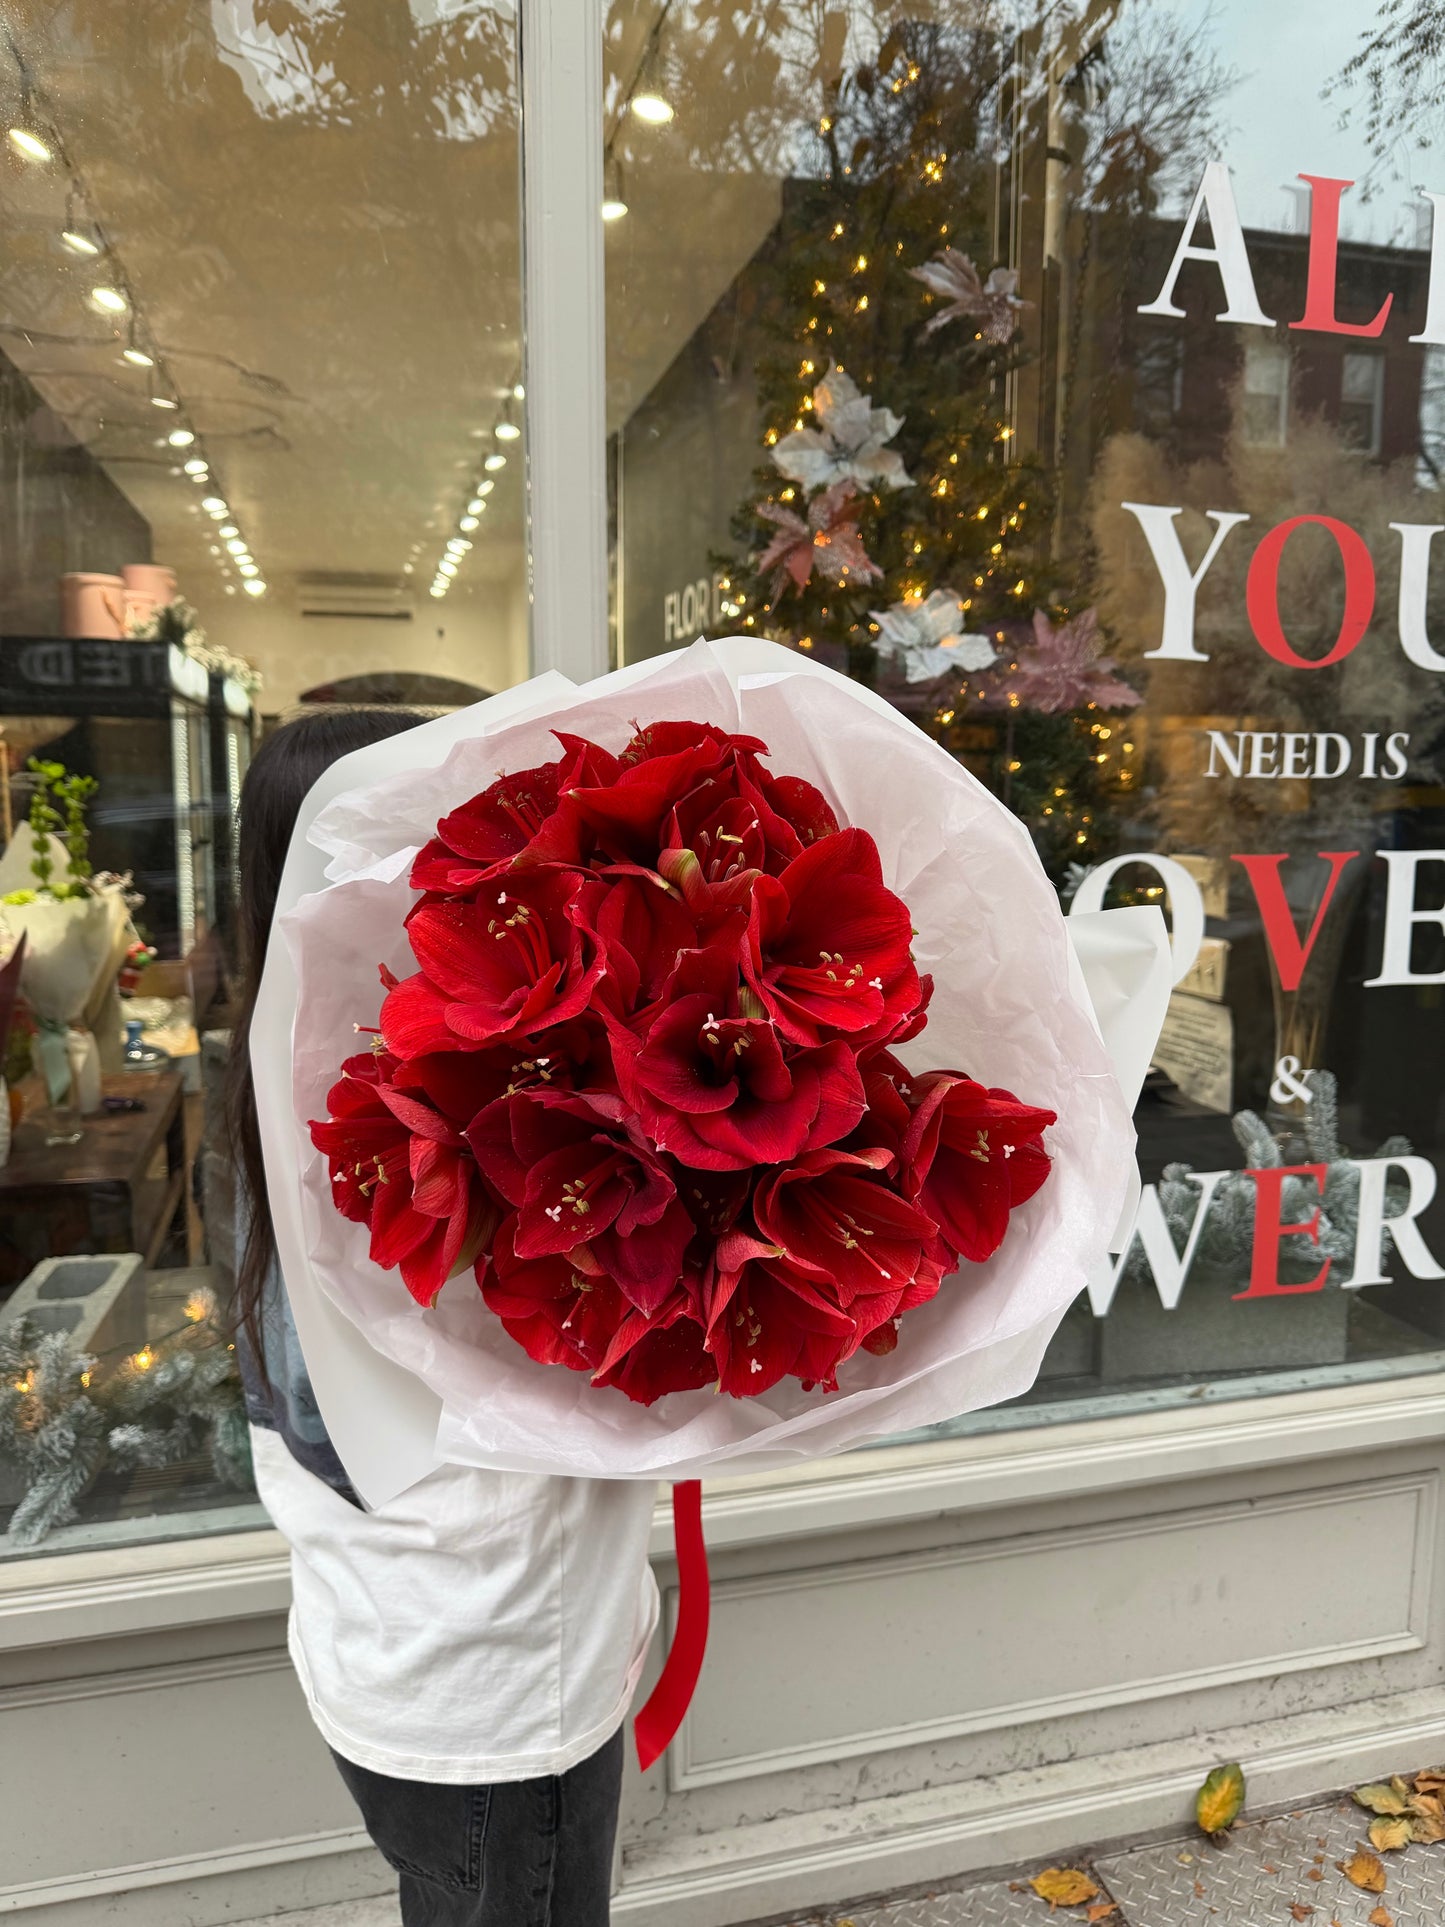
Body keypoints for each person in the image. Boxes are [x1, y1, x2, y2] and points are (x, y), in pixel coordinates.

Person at [225, 707, 658, 1927]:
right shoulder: (420, 1123)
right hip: (496, 1684)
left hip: (389, 1654)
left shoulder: (269, 1086)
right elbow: (560, 1379)